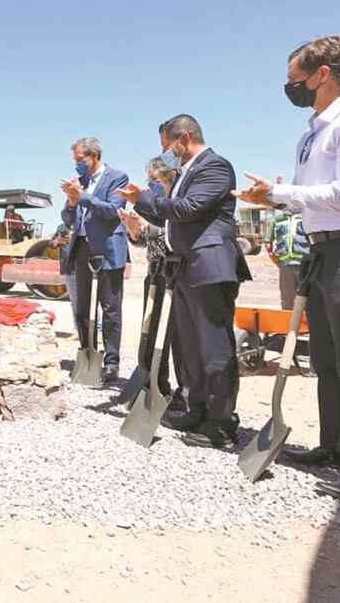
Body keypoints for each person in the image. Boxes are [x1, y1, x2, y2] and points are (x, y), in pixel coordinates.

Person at [237, 35, 340, 505]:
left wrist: (283, 195)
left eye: (295, 79)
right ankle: (338, 448)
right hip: (325, 248)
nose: (291, 88)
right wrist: (274, 197)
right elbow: (316, 195)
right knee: (327, 360)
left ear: (323, 74)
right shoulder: (314, 130)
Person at [118, 115, 251, 448]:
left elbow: (189, 209)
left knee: (214, 348)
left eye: (167, 145)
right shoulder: (187, 171)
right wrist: (140, 206)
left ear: (185, 137)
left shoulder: (215, 167)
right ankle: (197, 408)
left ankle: (221, 423)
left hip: (210, 266)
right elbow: (169, 213)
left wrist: (143, 200)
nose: (166, 153)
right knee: (191, 348)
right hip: (187, 268)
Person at [59, 136, 129, 384]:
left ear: (93, 156)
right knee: (82, 309)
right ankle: (89, 355)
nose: (77, 165)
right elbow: (68, 219)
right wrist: (71, 201)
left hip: (107, 251)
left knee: (110, 308)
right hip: (81, 251)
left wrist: (83, 197)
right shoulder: (80, 182)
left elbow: (113, 211)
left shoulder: (117, 178)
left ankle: (111, 363)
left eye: (80, 160)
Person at [118, 155, 176, 398]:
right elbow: (143, 240)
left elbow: (171, 232)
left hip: (174, 274)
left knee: (169, 334)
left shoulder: (175, 201)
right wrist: (133, 228)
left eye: (154, 179)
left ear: (168, 177)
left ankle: (183, 392)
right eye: (148, 179)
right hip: (154, 273)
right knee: (150, 333)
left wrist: (146, 227)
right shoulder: (149, 203)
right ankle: (155, 382)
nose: (149, 184)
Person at [266, 210, 309, 310]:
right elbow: (268, 244)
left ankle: (310, 325)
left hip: (305, 266)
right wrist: (278, 263)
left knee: (309, 300)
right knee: (287, 302)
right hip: (286, 267)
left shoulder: (307, 216)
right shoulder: (277, 219)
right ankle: (288, 324)